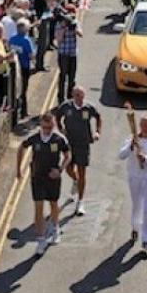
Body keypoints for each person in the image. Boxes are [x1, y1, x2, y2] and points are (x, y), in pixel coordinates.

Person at [16, 112, 71, 257]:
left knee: (53, 204)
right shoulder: (34, 139)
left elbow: (68, 155)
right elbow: (21, 147)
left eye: (50, 127)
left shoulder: (59, 139)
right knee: (38, 207)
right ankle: (41, 240)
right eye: (45, 127)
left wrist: (60, 170)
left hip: (53, 178)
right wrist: (18, 169)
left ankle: (55, 228)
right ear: (41, 125)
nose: (47, 130)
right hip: (37, 177)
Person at [118, 114, 147, 255]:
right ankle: (135, 228)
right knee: (137, 205)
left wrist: (146, 159)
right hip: (135, 178)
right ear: (140, 125)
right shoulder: (131, 139)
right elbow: (121, 155)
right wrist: (131, 146)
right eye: (144, 124)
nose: (146, 127)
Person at [55, 85, 101, 216]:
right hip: (69, 144)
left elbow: (98, 117)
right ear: (73, 96)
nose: (79, 99)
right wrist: (60, 128)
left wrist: (97, 132)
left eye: (81, 96)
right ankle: (75, 180)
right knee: (68, 169)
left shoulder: (88, 108)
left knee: (82, 172)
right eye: (77, 96)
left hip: (83, 144)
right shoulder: (66, 107)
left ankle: (80, 202)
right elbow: (58, 116)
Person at [55, 5, 83, 103]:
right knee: (63, 76)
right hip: (63, 54)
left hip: (72, 54)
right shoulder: (60, 24)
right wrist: (64, 28)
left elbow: (81, 34)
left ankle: (70, 97)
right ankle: (61, 98)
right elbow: (58, 39)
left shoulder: (75, 22)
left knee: (72, 77)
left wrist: (74, 28)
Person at [9, 17, 35, 118]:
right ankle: (23, 112)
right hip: (24, 68)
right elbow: (31, 55)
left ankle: (15, 111)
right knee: (23, 90)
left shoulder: (12, 39)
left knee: (14, 89)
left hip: (13, 68)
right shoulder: (26, 40)